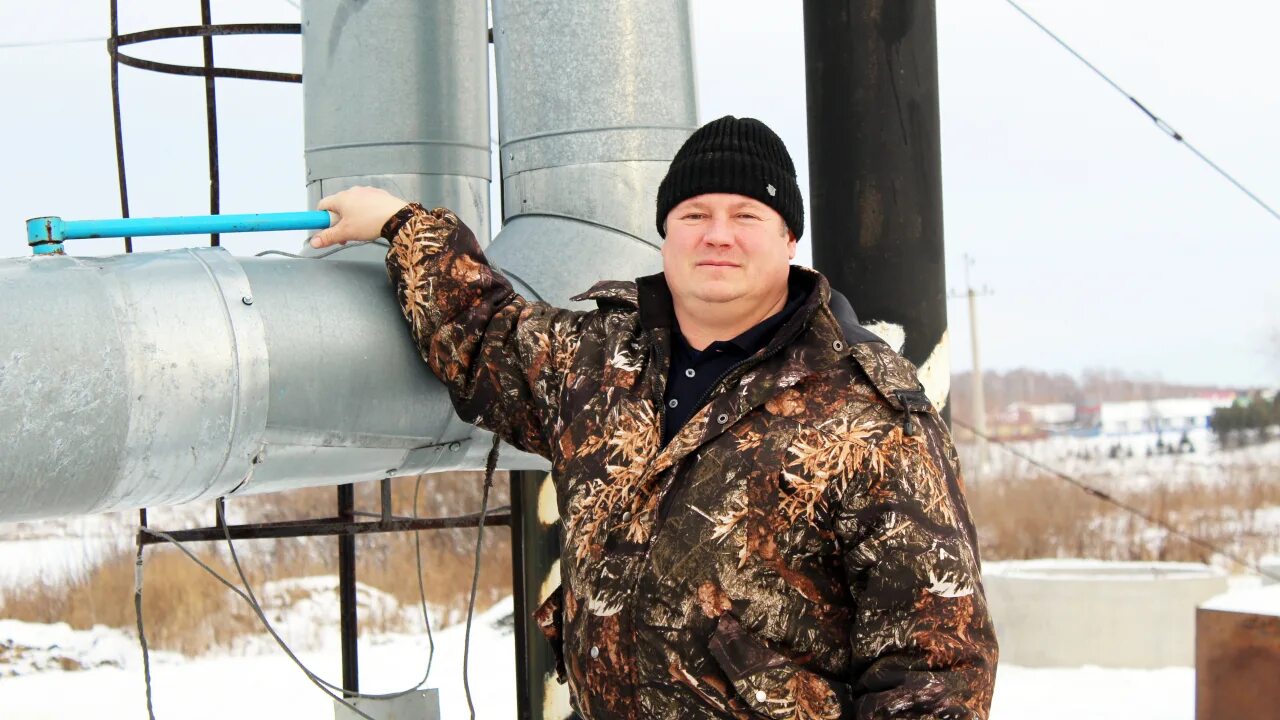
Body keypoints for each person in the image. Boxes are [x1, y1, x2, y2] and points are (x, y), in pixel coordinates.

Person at [311, 116, 997, 719]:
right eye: (694, 215)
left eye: (746, 216)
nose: (717, 236)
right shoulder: (598, 362)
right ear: (665, 233)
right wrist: (404, 225)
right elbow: (483, 331)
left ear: (788, 238)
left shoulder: (867, 411)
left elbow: (935, 667)